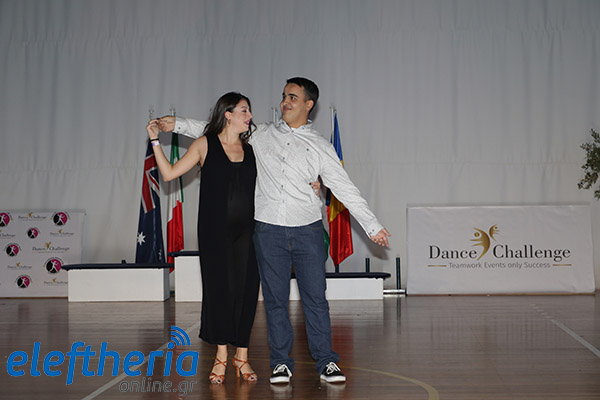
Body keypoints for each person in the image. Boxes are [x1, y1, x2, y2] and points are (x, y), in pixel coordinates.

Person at [159, 77, 391, 384]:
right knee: (275, 300)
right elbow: (216, 129)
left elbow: (344, 187)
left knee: (315, 298)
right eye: (284, 96)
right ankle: (281, 363)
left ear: (309, 104)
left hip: (307, 230)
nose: (285, 101)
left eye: (293, 97)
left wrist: (373, 225)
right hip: (268, 230)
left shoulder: (320, 146)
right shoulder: (260, 134)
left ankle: (326, 361)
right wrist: (176, 124)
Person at [147, 92, 260, 384]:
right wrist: (155, 141)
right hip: (214, 230)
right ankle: (222, 355)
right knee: (219, 290)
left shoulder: (254, 148)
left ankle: (242, 356)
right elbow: (169, 174)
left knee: (247, 290)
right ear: (228, 114)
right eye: (244, 110)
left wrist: (312, 182)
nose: (250, 116)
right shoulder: (204, 144)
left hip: (249, 230)